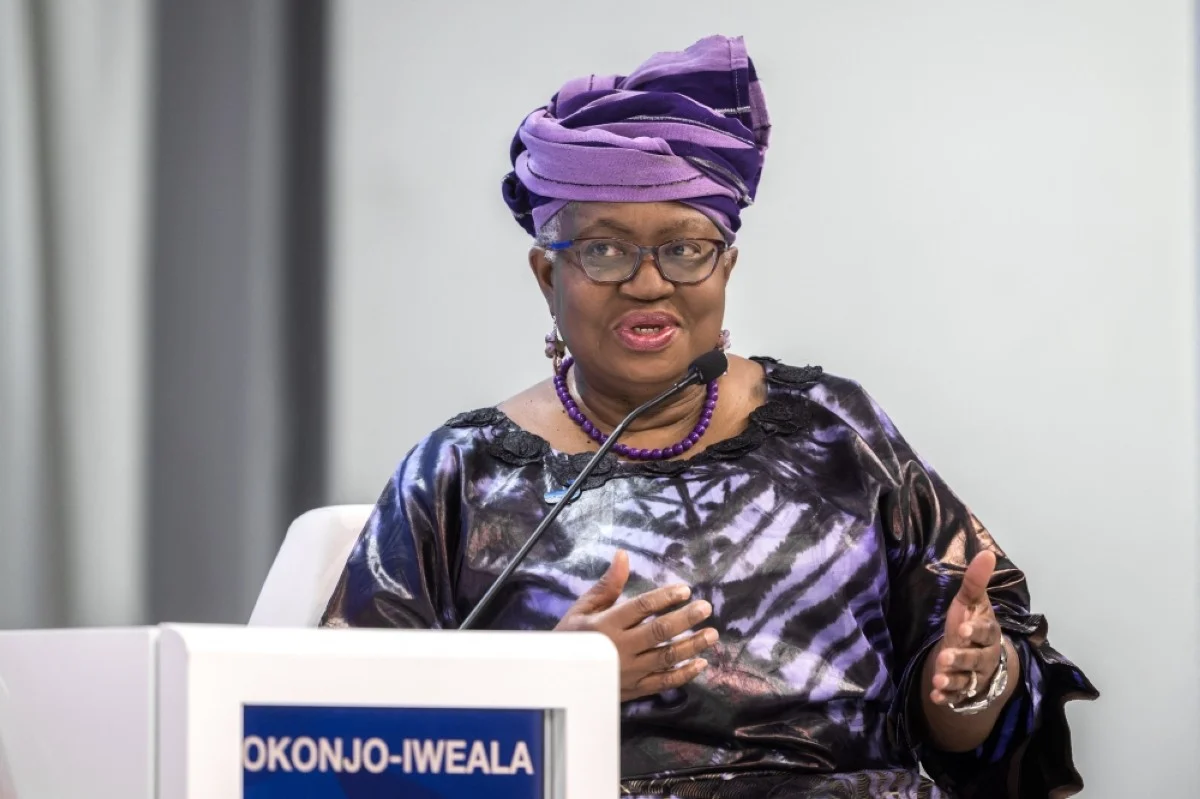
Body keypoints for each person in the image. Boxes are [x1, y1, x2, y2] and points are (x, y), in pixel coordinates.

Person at [321, 35, 1096, 798]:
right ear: (545, 272)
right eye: (603, 250)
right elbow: (344, 743)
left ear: (726, 264)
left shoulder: (835, 431)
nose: (648, 282)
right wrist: (549, 687)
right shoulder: (461, 473)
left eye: (686, 249)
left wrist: (970, 685)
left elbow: (978, 731)